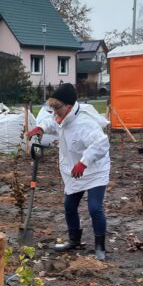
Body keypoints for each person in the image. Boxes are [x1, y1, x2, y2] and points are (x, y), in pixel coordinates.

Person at [26, 83, 111, 260]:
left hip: (94, 170)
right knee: (69, 206)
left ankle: (100, 248)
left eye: (57, 108)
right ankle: (74, 241)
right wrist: (41, 128)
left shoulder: (85, 123)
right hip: (74, 171)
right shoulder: (63, 117)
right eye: (53, 109)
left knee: (95, 208)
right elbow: (52, 123)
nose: (55, 112)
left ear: (69, 107)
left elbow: (101, 144)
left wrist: (84, 162)